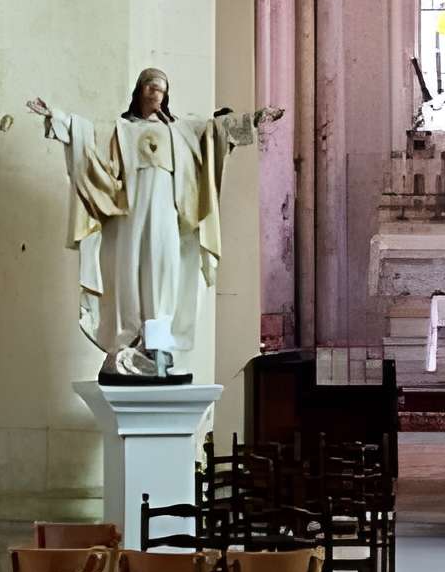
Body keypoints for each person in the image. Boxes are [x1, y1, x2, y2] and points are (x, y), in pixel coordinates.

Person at [25, 70, 283, 381]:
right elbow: (85, 135)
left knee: (163, 273)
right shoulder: (120, 129)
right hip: (128, 216)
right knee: (128, 273)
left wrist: (255, 119)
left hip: (166, 216)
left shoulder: (181, 130)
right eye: (150, 86)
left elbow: (217, 131)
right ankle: (129, 343)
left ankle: (157, 345)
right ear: (139, 91)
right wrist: (56, 118)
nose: (155, 93)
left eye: (161, 88)